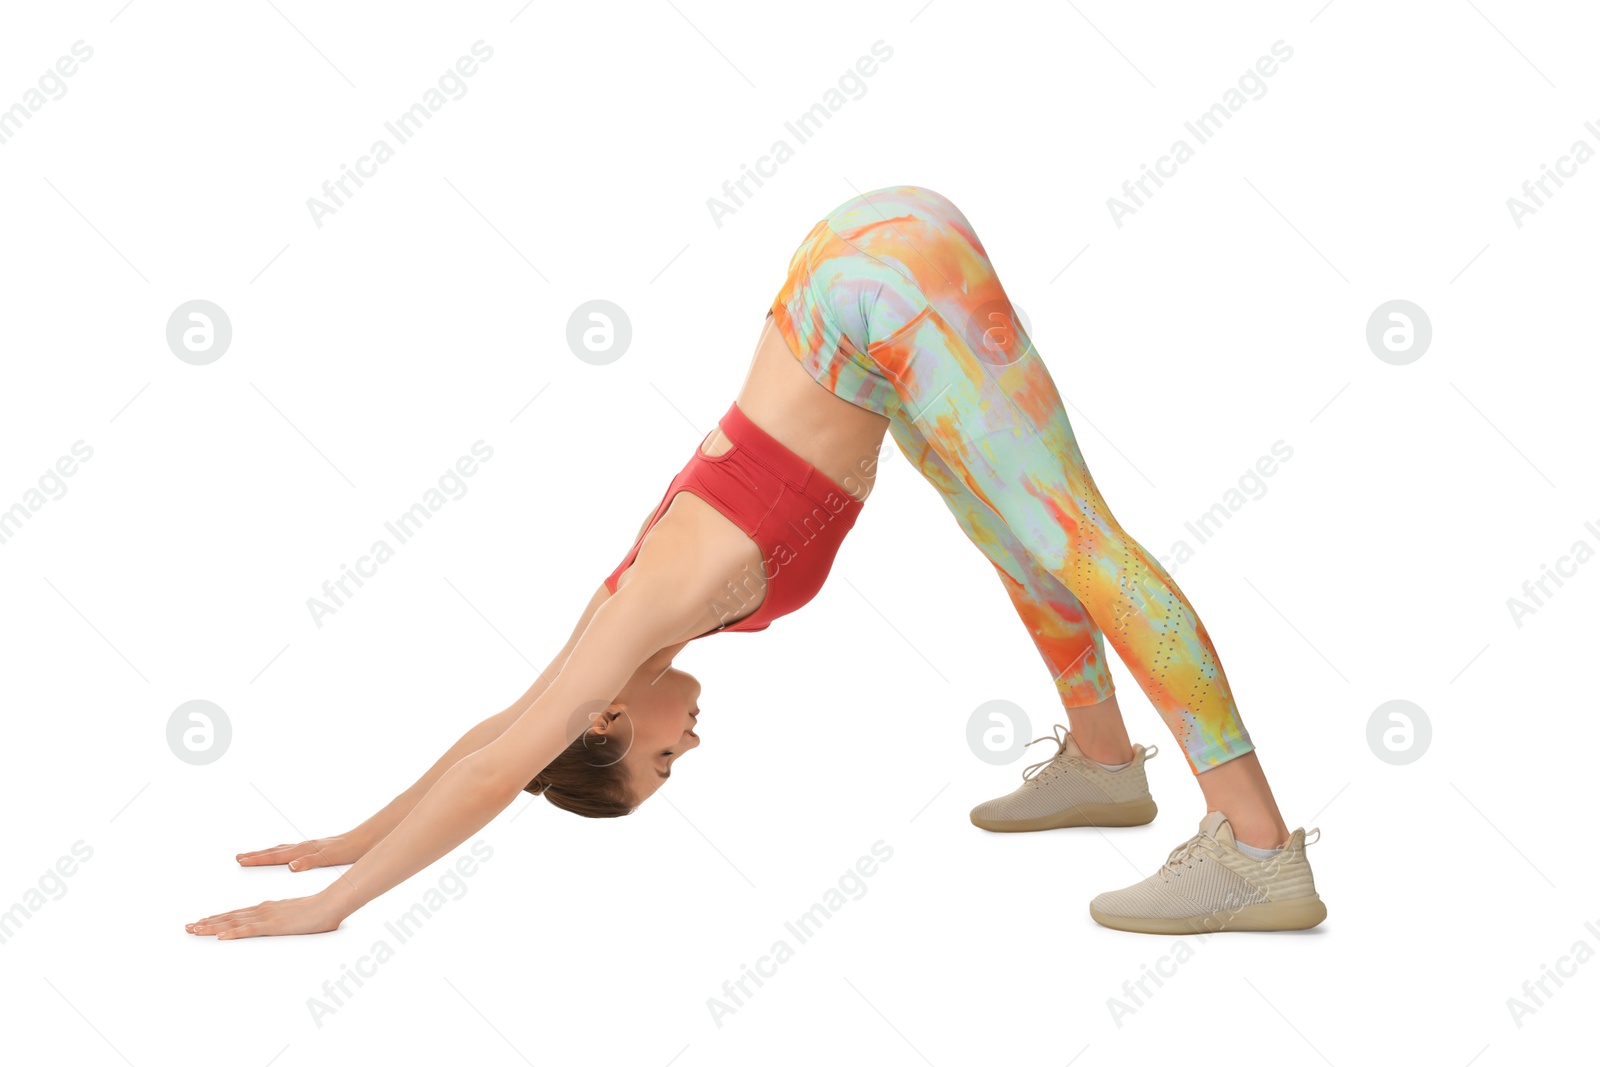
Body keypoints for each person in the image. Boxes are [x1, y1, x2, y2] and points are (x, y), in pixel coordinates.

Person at [186, 186, 1324, 940]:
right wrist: (349, 832)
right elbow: (494, 740)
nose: (690, 743)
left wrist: (337, 903)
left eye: (662, 761)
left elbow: (495, 772)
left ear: (605, 723)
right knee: (1018, 545)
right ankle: (1104, 761)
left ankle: (1259, 850)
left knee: (1081, 544)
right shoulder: (617, 640)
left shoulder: (640, 619)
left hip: (872, 295)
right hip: (865, 318)